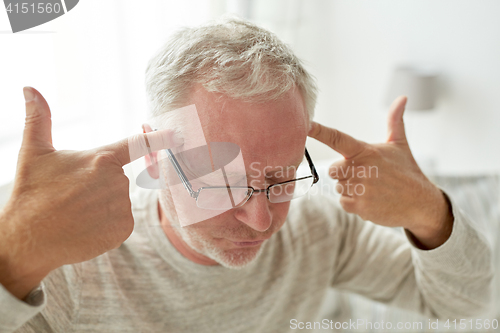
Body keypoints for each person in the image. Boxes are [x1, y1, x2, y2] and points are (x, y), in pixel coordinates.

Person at [0, 18, 492, 333]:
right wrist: (16, 258)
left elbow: (462, 299)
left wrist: (428, 210)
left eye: (281, 181)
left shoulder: (315, 231)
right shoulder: (74, 261)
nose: (261, 222)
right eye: (223, 184)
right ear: (153, 159)